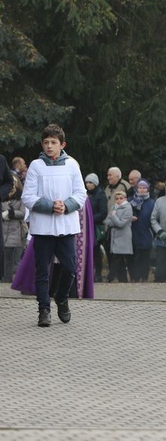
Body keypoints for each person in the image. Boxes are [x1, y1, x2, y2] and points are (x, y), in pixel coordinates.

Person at [20, 124, 87, 327]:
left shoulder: (72, 165)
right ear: (42, 144)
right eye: (46, 142)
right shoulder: (36, 166)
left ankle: (61, 296)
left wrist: (65, 206)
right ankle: (44, 309)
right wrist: (50, 206)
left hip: (66, 225)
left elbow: (81, 193)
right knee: (42, 270)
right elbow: (28, 196)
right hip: (43, 227)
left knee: (69, 268)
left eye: (53, 142)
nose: (49, 146)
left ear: (62, 144)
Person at [103, 190, 133, 282]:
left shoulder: (128, 208)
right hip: (114, 237)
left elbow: (121, 224)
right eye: (117, 199)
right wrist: (114, 219)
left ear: (125, 199)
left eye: (121, 198)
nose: (118, 200)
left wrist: (113, 217)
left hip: (123, 237)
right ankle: (123, 279)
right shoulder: (114, 207)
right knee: (119, 260)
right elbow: (107, 221)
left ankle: (110, 277)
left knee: (117, 258)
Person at [128, 179, 155, 282]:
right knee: (134, 256)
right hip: (133, 232)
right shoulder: (130, 201)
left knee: (145, 257)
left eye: (144, 188)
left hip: (146, 232)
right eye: (140, 187)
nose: (142, 190)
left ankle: (144, 277)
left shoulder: (152, 202)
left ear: (147, 189)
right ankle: (134, 276)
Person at [2, 172, 27, 282]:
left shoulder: (21, 198)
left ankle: (11, 281)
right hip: (3, 230)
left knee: (13, 260)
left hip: (16, 232)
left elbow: (23, 213)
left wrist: (11, 213)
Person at [85, 173, 108, 282]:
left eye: (90, 182)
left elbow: (103, 212)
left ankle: (98, 273)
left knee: (96, 250)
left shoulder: (100, 195)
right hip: (86, 226)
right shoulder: (86, 194)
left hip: (95, 226)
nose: (88, 185)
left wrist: (90, 219)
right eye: (87, 182)